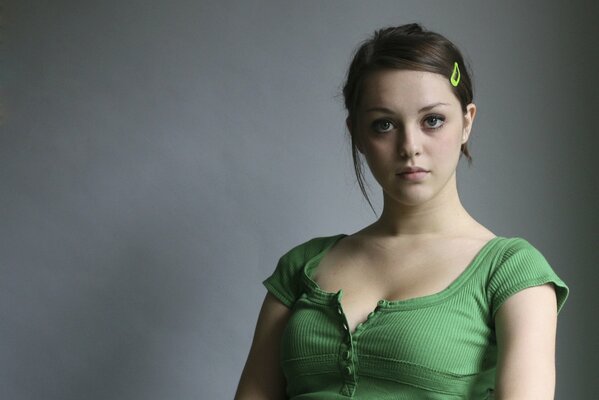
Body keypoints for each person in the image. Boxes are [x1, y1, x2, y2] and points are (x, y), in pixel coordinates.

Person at [234, 23, 569, 399]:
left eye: (433, 120)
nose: (410, 146)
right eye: (384, 125)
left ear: (467, 122)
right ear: (357, 134)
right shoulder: (303, 266)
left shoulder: (510, 271)